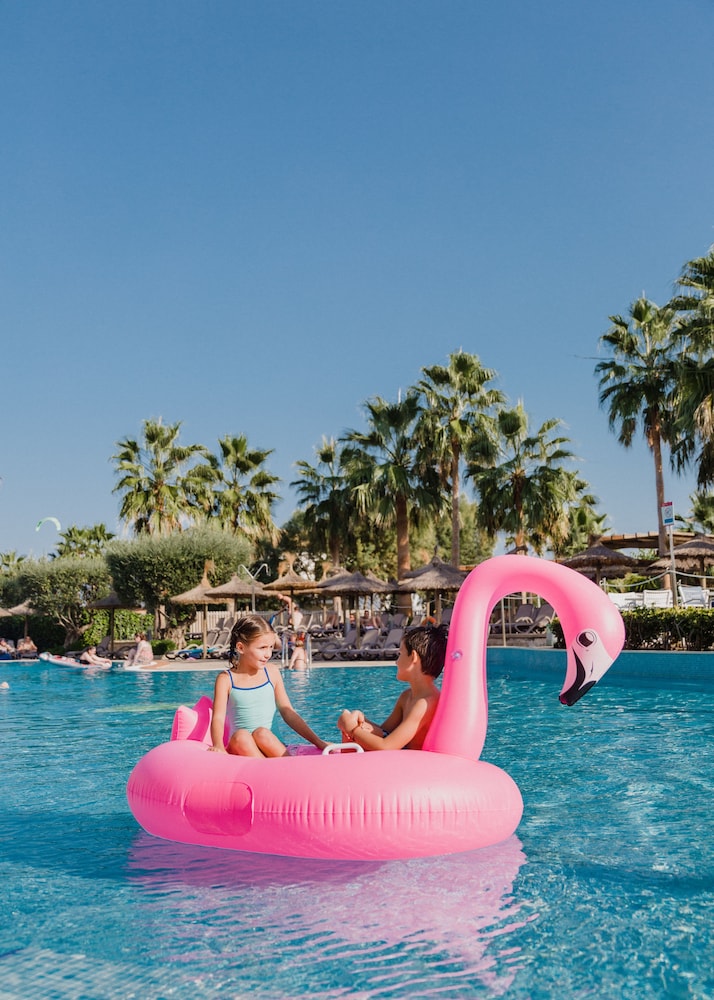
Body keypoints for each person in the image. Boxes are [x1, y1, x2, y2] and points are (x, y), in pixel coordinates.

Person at [209, 614, 327, 757]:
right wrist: (218, 745)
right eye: (262, 648)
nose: (268, 654)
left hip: (271, 746)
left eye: (271, 647)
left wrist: (318, 742)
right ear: (241, 647)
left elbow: (288, 712)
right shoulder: (226, 679)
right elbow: (218, 718)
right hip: (241, 748)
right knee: (241, 736)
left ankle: (282, 765)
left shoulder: (271, 672)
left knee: (262, 733)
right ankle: (269, 767)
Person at [336, 623, 448, 751]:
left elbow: (387, 745)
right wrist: (361, 719)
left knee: (352, 728)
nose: (396, 662)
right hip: (400, 753)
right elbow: (384, 731)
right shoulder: (406, 696)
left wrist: (352, 729)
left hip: (413, 760)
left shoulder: (425, 703)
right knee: (355, 724)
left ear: (413, 657)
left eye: (400, 654)